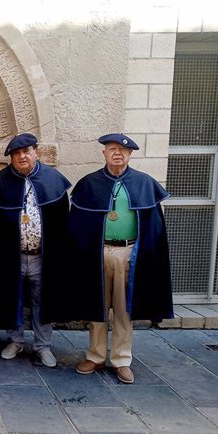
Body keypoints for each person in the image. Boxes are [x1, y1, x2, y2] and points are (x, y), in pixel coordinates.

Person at [69, 133, 173, 384]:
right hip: (97, 254)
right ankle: (95, 356)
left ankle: (121, 359)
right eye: (112, 149)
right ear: (103, 153)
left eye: (123, 150)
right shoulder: (89, 184)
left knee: (125, 310)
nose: (118, 153)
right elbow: (76, 226)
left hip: (130, 254)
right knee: (98, 308)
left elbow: (155, 228)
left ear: (130, 154)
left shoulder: (144, 183)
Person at [0, 133, 71, 368]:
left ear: (36, 152)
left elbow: (63, 221)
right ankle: (15, 341)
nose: (22, 156)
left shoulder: (53, 180)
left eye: (26, 151)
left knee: (41, 301)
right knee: (12, 297)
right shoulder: (0, 182)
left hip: (42, 255)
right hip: (11, 254)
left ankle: (43, 347)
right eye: (16, 154)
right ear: (11, 158)